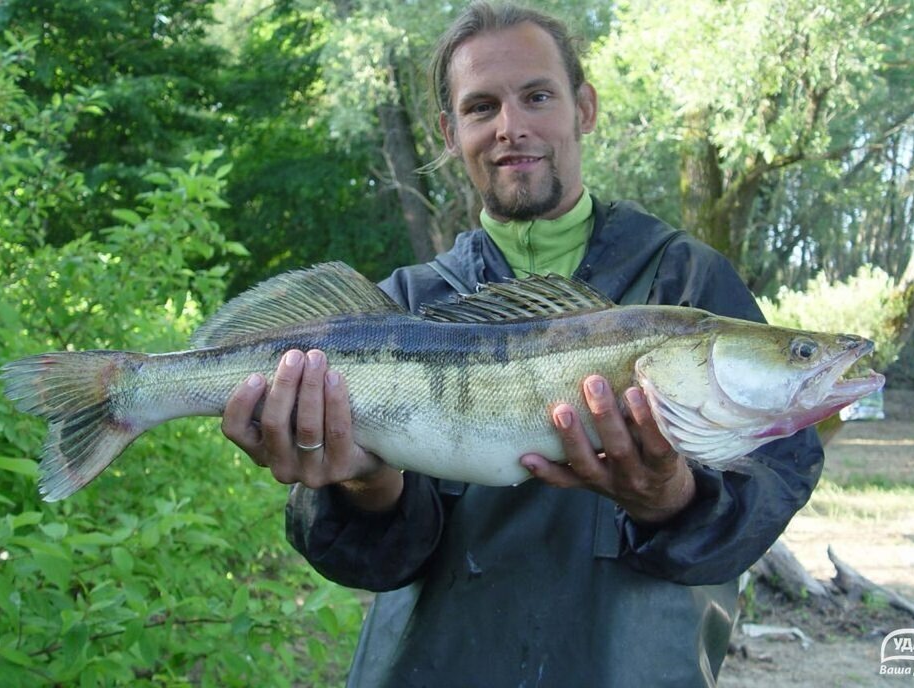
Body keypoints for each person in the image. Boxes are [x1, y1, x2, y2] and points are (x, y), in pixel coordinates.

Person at [222, 3, 824, 686]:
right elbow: (371, 561)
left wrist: (672, 497)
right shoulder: (398, 307)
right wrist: (364, 480)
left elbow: (774, 484)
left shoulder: (689, 282)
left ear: (584, 107)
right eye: (482, 108)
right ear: (451, 133)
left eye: (537, 96)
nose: (512, 128)